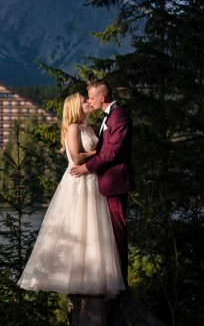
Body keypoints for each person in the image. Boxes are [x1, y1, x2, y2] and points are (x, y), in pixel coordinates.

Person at [18, 93, 125, 297]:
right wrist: (100, 152)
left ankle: (92, 278)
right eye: (84, 100)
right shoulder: (73, 128)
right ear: (76, 106)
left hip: (91, 180)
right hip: (78, 180)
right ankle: (75, 278)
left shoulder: (89, 128)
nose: (88, 102)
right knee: (78, 225)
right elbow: (76, 158)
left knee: (93, 228)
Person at [70, 79, 134, 283]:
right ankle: (110, 276)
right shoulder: (108, 117)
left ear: (102, 98)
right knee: (109, 231)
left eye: (91, 97)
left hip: (115, 183)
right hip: (105, 182)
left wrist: (86, 167)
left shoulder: (119, 116)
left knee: (118, 230)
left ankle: (120, 279)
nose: (89, 101)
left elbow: (112, 153)